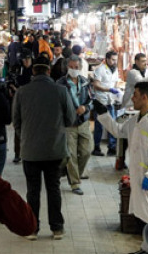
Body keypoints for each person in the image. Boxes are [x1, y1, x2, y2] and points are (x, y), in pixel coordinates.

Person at [12, 56, 76, 240]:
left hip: (30, 151)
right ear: (49, 71)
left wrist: (25, 136)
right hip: (55, 149)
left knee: (33, 190)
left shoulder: (22, 92)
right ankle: (57, 228)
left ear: (33, 71)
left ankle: (32, 228)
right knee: (53, 188)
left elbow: (16, 121)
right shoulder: (61, 91)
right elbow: (71, 119)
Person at [98, 82, 148, 223]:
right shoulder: (135, 120)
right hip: (138, 176)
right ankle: (145, 241)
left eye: (135, 95)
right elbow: (119, 131)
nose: (132, 98)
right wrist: (104, 115)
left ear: (144, 97)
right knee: (141, 215)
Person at [59, 54, 93, 195]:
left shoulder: (85, 82)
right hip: (68, 125)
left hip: (83, 122)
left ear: (80, 67)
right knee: (71, 154)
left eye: (76, 67)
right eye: (71, 67)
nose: (74, 69)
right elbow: (57, 103)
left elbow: (92, 99)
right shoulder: (60, 84)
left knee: (87, 150)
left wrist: (85, 108)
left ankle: (72, 173)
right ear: (67, 67)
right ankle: (75, 183)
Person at [91, 50, 123, 156]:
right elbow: (96, 85)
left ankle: (112, 148)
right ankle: (96, 148)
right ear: (107, 59)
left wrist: (117, 91)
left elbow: (115, 83)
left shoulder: (115, 70)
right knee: (99, 126)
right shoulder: (100, 70)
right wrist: (109, 89)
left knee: (112, 125)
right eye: (113, 60)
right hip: (100, 101)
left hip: (110, 101)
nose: (114, 62)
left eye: (115, 60)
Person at [9, 52, 35, 164]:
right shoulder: (18, 70)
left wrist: (18, 89)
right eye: (24, 60)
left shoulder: (34, 71)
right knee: (18, 128)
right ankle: (17, 153)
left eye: (27, 59)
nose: (26, 62)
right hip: (19, 103)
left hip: (32, 103)